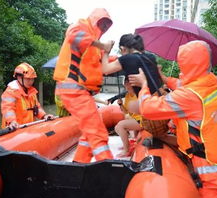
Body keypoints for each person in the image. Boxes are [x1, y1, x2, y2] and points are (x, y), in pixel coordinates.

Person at [128, 40, 217, 198]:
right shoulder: (210, 82)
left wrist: (144, 85)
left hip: (209, 168)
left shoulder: (187, 97)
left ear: (187, 64)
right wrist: (165, 78)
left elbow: (148, 108)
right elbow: (184, 84)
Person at [53, 8, 114, 163]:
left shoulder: (94, 46)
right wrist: (102, 45)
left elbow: (103, 64)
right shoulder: (82, 26)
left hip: (81, 91)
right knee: (97, 132)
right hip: (72, 87)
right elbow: (74, 35)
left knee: (89, 132)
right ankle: (108, 166)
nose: (105, 27)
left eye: (107, 24)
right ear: (95, 20)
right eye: (103, 23)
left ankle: (79, 164)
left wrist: (127, 59)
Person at [102, 33, 163, 100]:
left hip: (148, 103)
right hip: (160, 99)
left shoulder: (127, 58)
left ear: (123, 49)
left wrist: (106, 52)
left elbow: (105, 70)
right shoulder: (151, 57)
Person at [1, 63, 54, 130]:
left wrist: (44, 116)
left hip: (28, 129)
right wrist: (12, 121)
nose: (31, 81)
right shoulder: (10, 92)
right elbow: (7, 109)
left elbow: (37, 108)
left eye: (32, 79)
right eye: (28, 79)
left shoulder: (32, 92)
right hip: (14, 130)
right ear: (19, 77)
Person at [114, 78, 142, 157]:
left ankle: (126, 150)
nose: (125, 84)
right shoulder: (127, 95)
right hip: (135, 119)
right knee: (117, 127)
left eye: (126, 82)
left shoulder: (139, 94)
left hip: (143, 120)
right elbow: (126, 112)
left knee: (120, 126)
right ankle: (128, 145)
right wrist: (121, 105)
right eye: (125, 83)